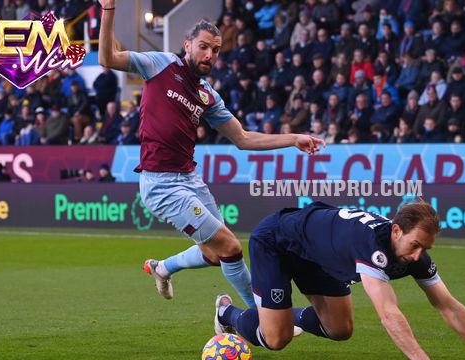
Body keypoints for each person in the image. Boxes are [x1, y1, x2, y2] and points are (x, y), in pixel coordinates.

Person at [98, 0, 325, 310]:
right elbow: (108, 57)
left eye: (215, 50)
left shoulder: (207, 95)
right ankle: (262, 315)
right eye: (203, 47)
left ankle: (162, 268)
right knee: (230, 246)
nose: (209, 55)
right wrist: (108, 11)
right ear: (187, 44)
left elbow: (243, 139)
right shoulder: (160, 64)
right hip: (161, 184)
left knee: (214, 253)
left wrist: (294, 138)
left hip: (191, 179)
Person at [213, 201, 465, 360]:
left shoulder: (413, 256)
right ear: (396, 232)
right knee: (277, 339)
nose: (419, 255)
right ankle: (227, 313)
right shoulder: (373, 247)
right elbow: (389, 314)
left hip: (319, 255)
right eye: (415, 244)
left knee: (340, 330)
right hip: (278, 242)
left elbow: (448, 306)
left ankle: (278, 316)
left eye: (426, 249)